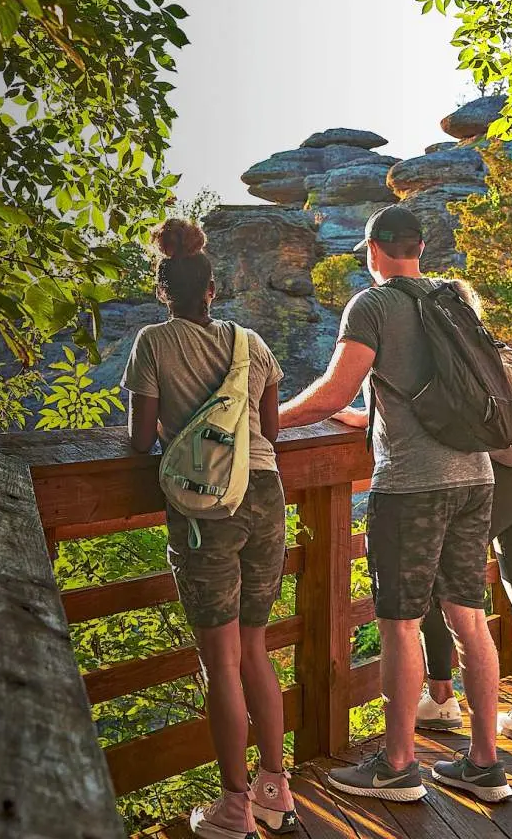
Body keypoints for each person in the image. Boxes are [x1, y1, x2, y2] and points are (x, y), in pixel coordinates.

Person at [278, 205, 512, 804]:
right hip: (475, 476)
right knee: (467, 614)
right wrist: (355, 417)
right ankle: (485, 765)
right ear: (418, 247)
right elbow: (381, 400)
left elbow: (332, 387)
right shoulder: (453, 297)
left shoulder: (372, 304)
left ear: (373, 249)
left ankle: (398, 766)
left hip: (411, 486)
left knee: (400, 623)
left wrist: (264, 419)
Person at [124, 217, 298, 838]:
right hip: (267, 494)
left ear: (164, 293)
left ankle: (233, 809)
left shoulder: (153, 342)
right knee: (256, 648)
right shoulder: (252, 343)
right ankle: (275, 790)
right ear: (213, 291)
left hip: (207, 511)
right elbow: (271, 433)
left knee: (220, 662)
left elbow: (141, 438)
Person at [414, 280, 512, 749]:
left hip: (502, 482)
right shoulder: (506, 353)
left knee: (431, 580)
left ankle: (440, 696)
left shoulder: (460, 359)